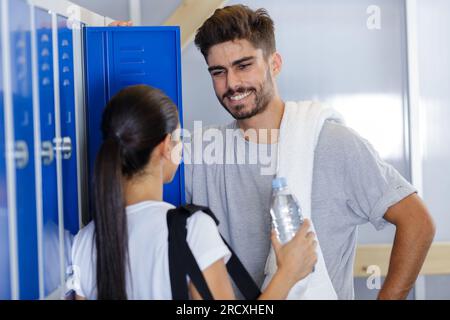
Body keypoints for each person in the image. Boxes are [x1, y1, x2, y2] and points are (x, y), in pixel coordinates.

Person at [184, 5, 435, 299]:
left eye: (244, 65)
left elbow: (418, 222)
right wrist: (117, 39)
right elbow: (133, 161)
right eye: (219, 72)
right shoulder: (203, 154)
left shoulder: (333, 144)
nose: (232, 84)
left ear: (274, 64)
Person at [70, 84, 317, 300]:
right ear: (166, 147)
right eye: (179, 139)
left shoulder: (84, 242)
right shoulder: (191, 230)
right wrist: (288, 273)